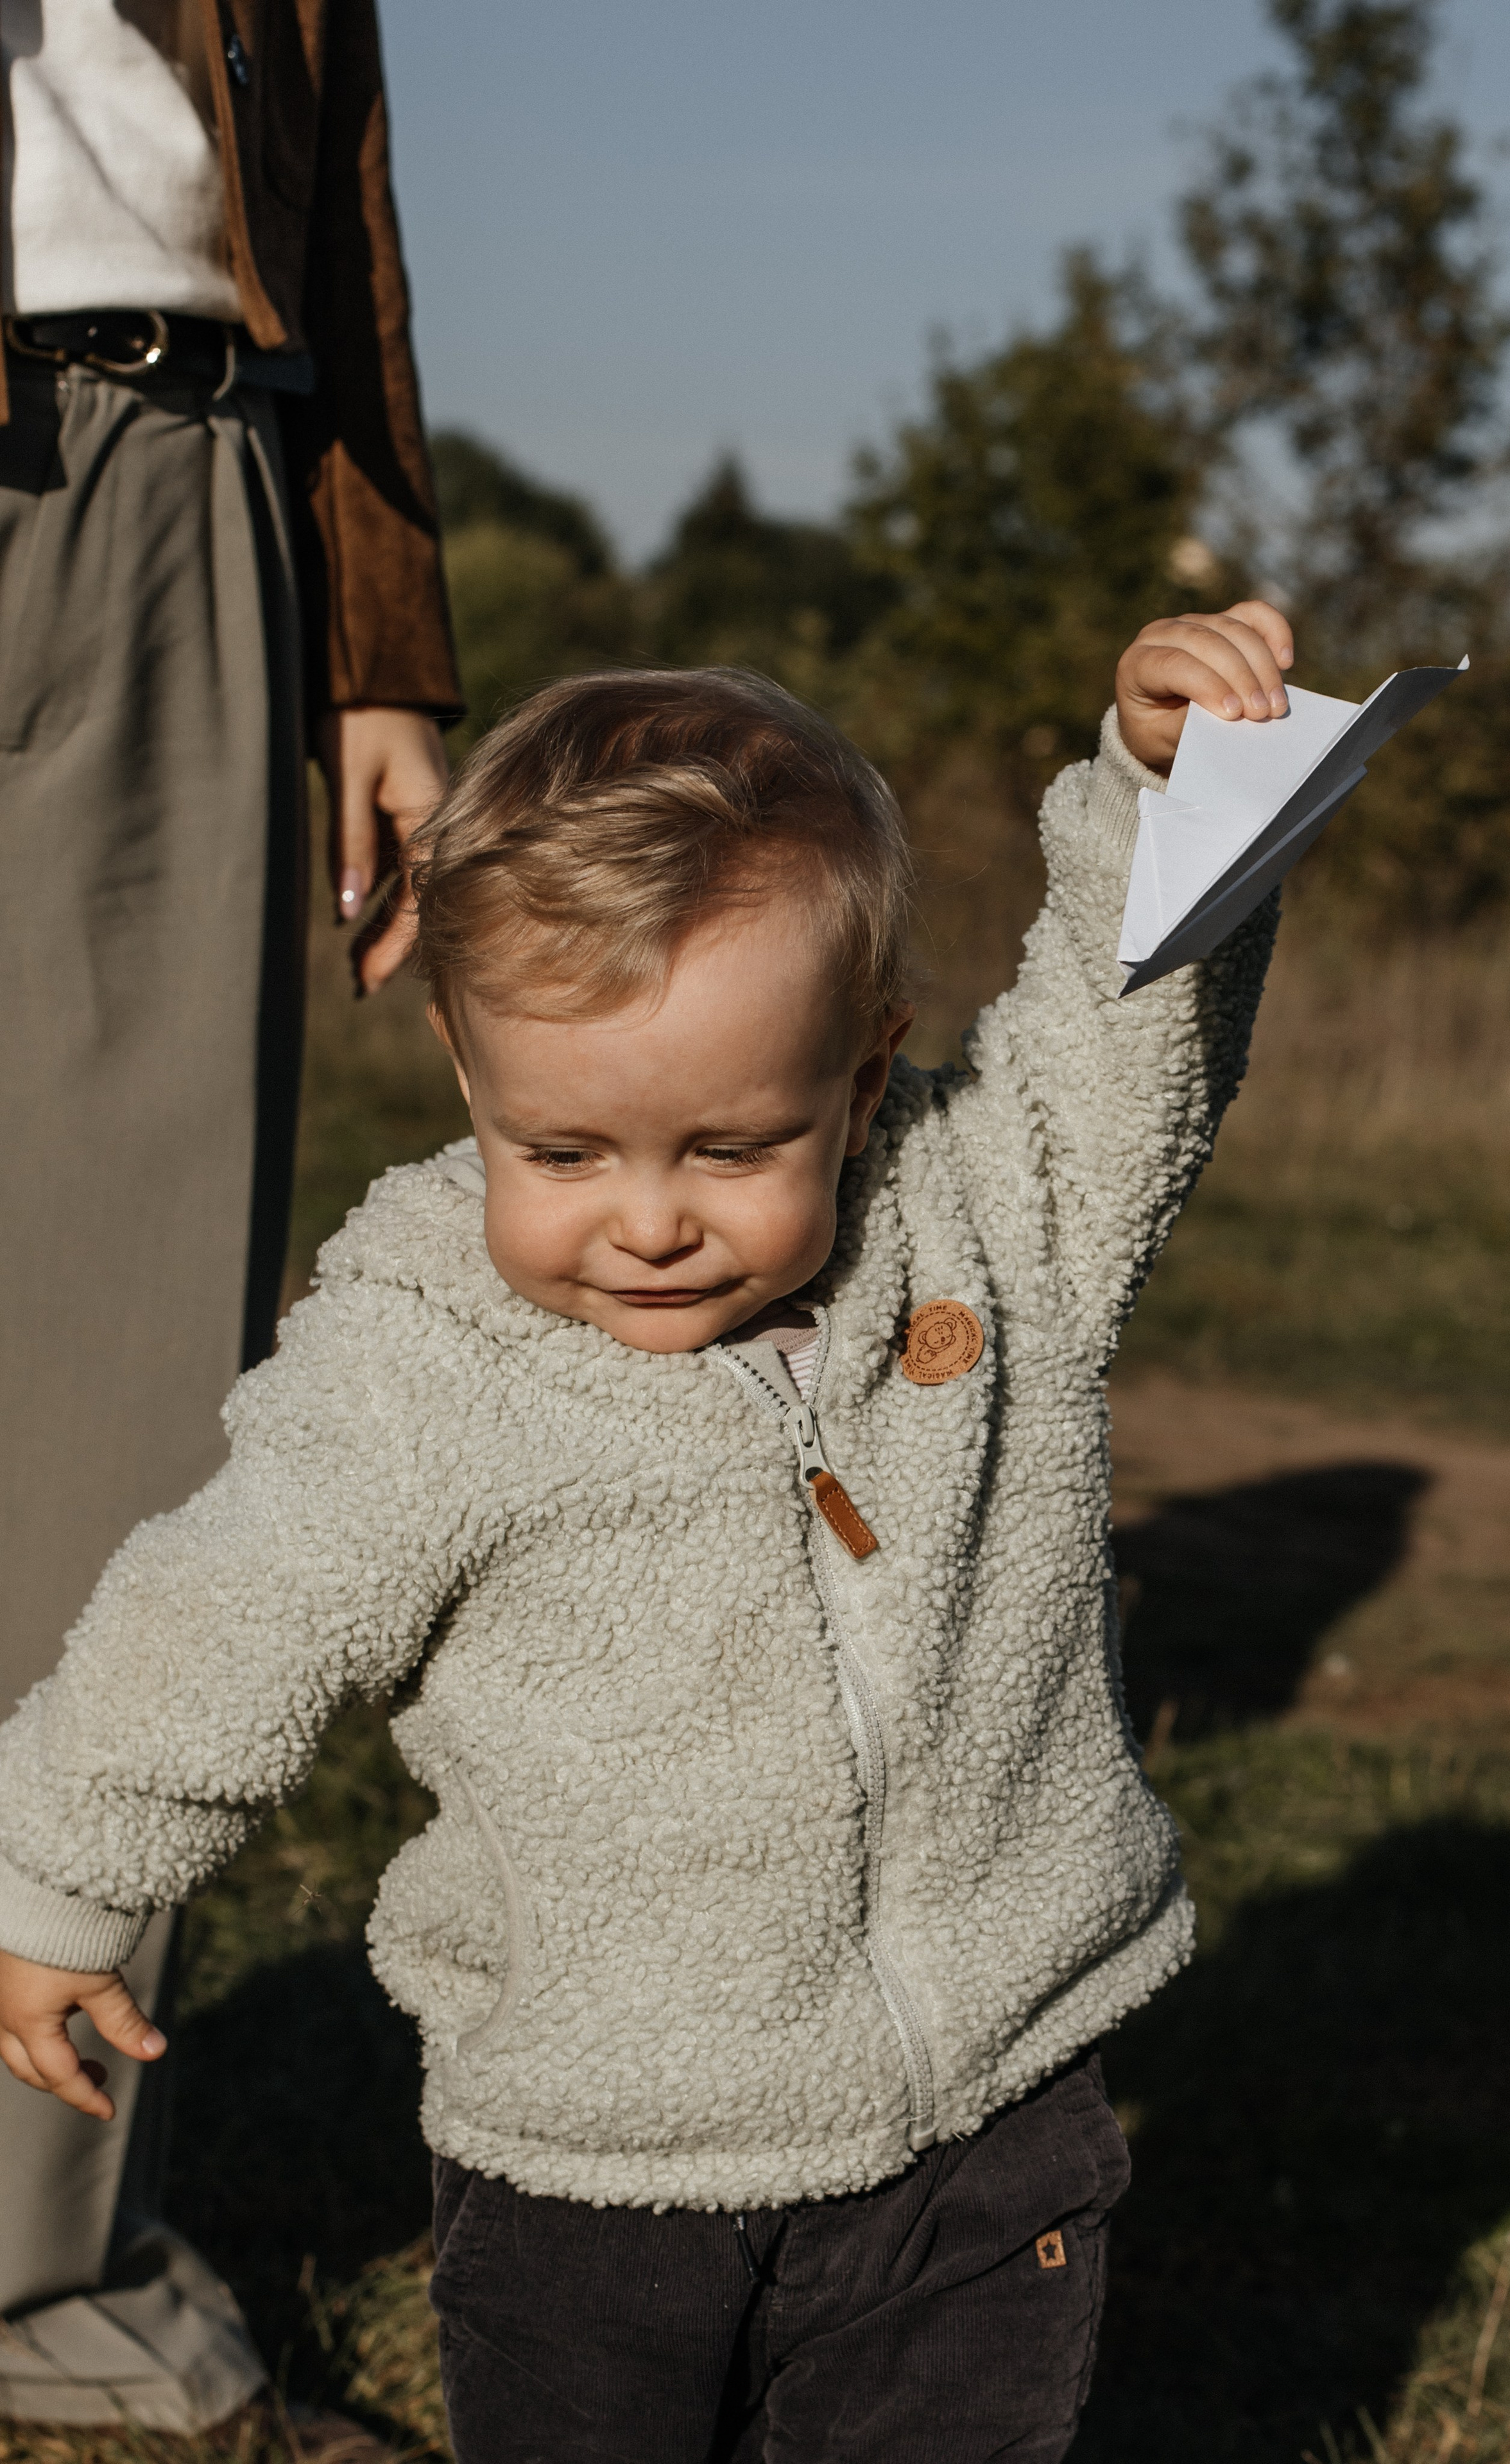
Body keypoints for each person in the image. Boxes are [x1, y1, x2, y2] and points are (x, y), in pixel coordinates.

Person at [0, 606, 1294, 2463]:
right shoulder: (426, 1357)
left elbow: (1124, 1053)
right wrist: (53, 1872)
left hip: (985, 2123)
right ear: (469, 1078)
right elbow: (231, 1605)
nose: (650, 1220)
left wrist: (1179, 796)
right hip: (598, 2169)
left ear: (861, 1082)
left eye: (732, 1146)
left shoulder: (983, 1227)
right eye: (567, 1153)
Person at [0, 0, 458, 2431]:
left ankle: (33, 2256)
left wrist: (380, 634)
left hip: (184, 466)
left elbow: (339, 178)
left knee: (115, 1393)